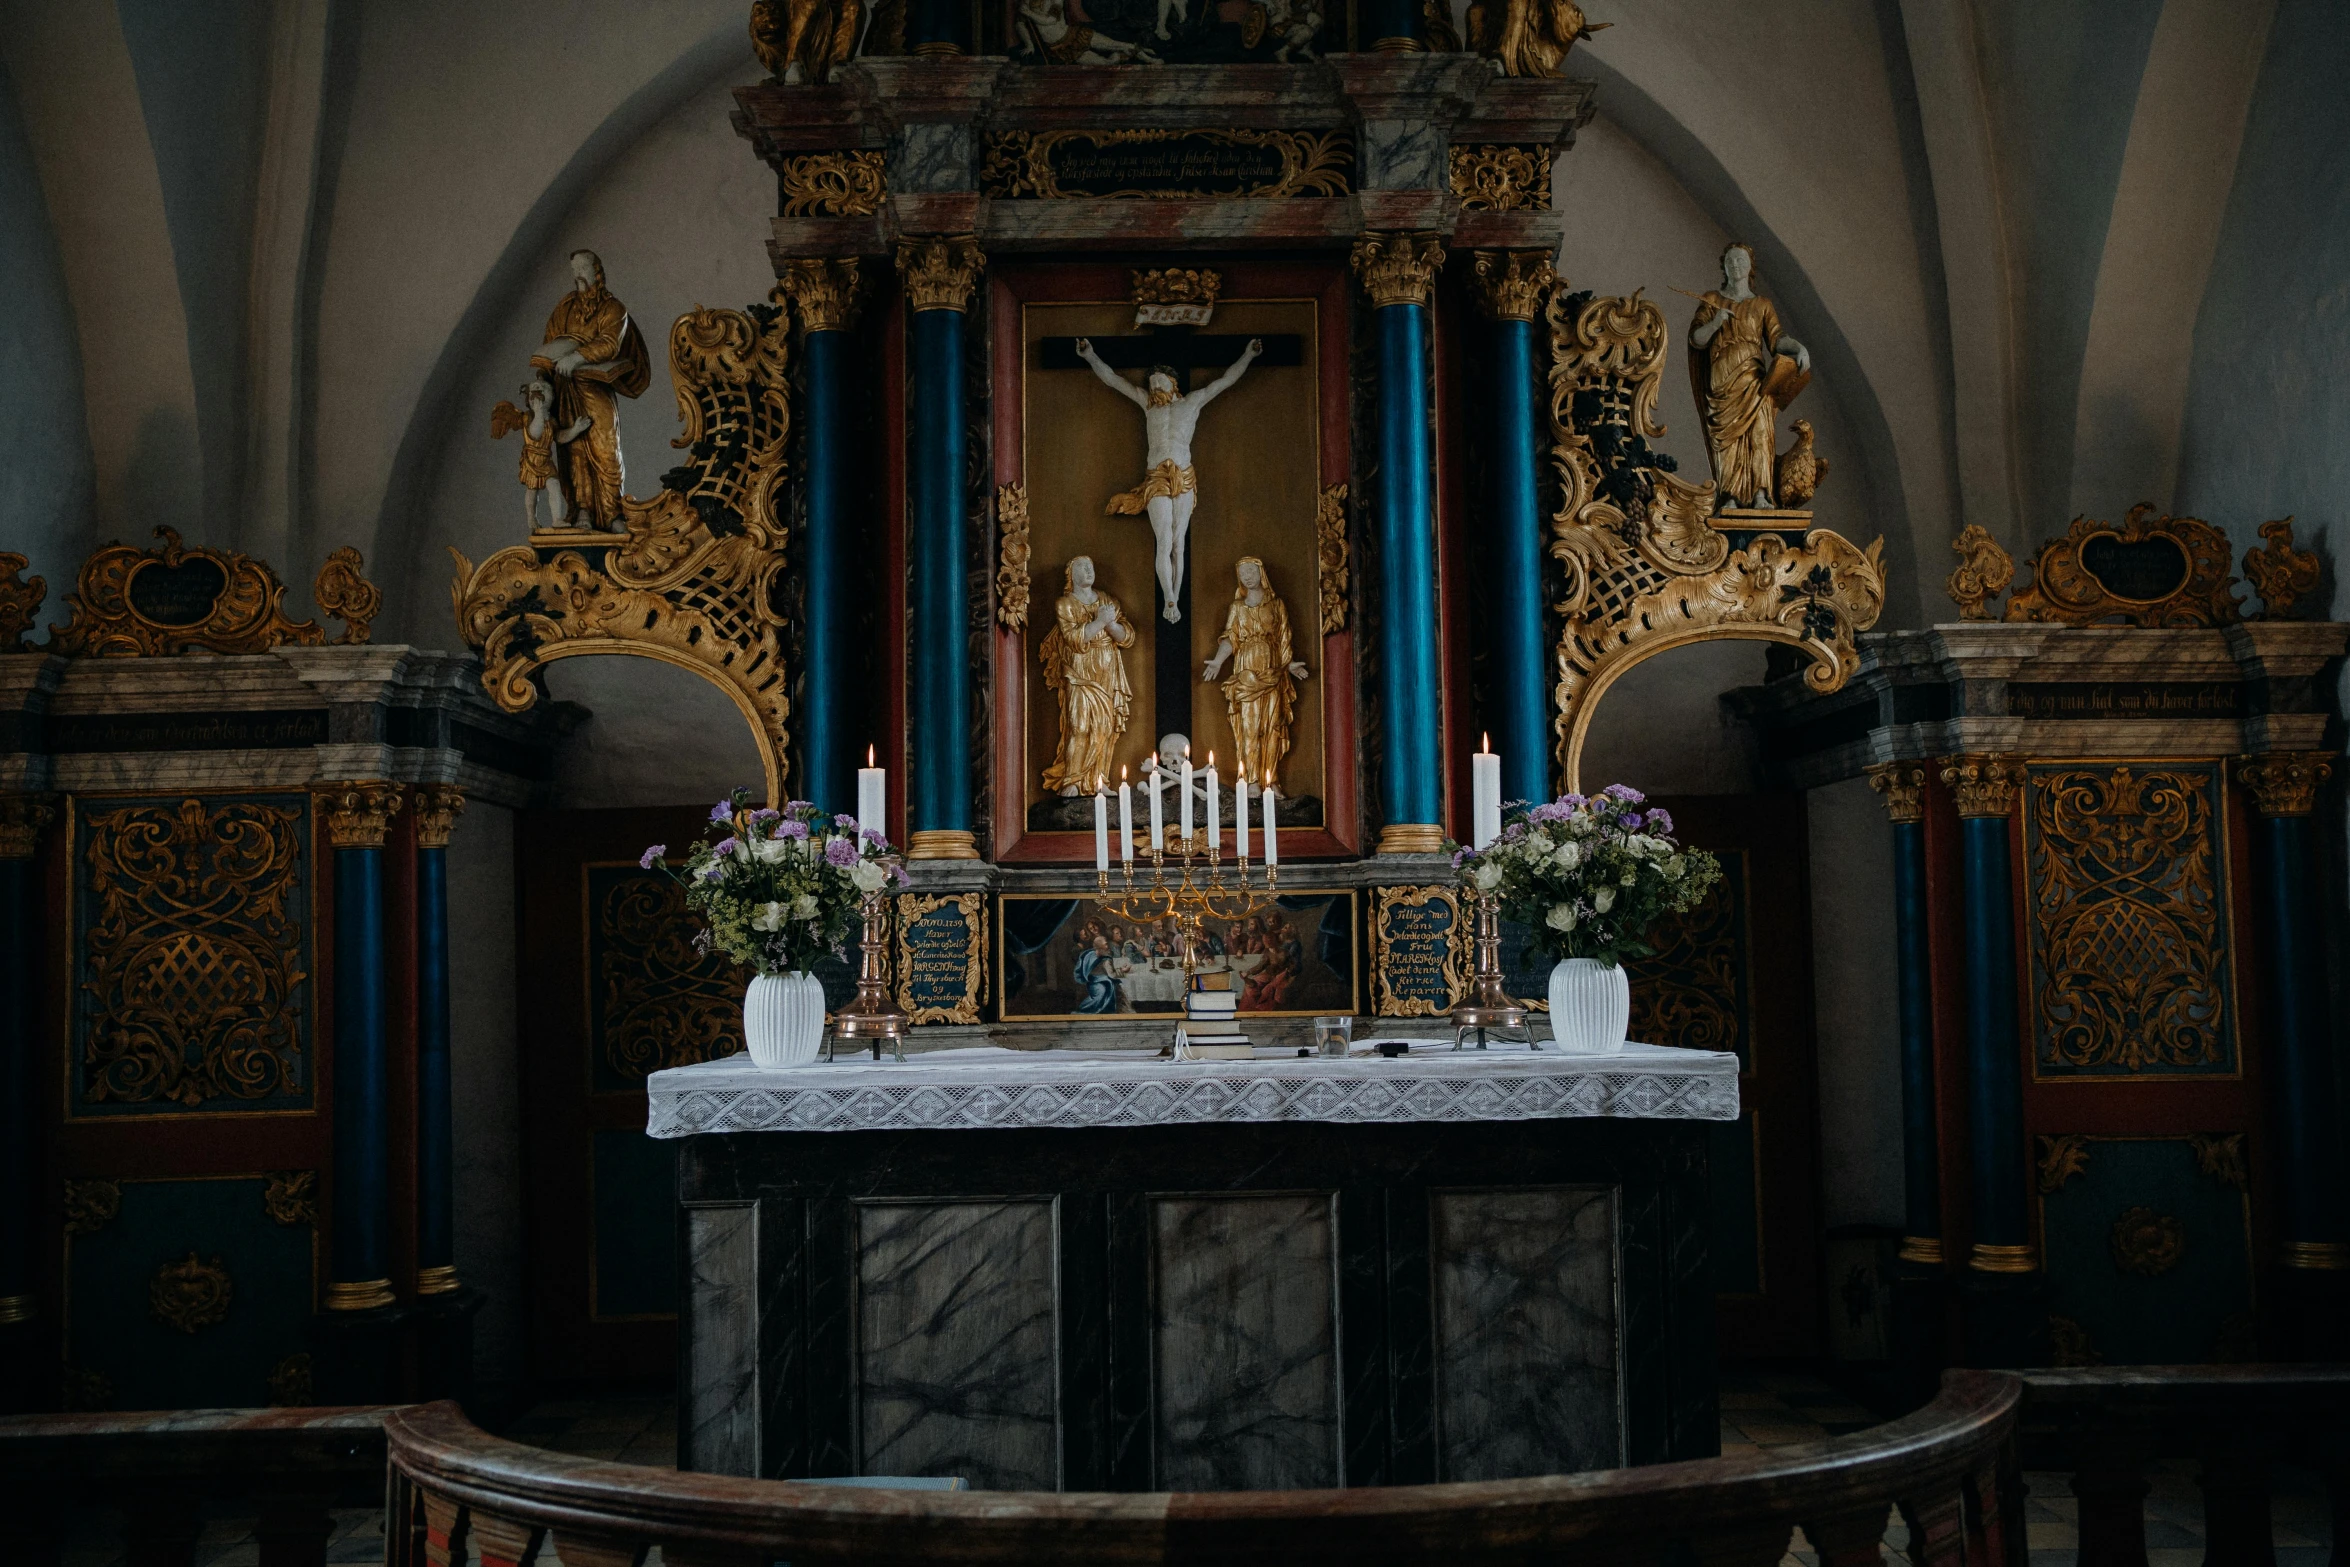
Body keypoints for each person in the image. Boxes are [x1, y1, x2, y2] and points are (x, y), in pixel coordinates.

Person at [1075, 335, 1263, 621]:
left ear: (1172, 382)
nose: (1153, 387)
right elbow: (1113, 379)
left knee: (1178, 543)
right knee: (1163, 540)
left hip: (1184, 476)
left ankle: (1176, 595)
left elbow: (1226, 380)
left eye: (1158, 381)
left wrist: (1248, 356)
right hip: (1156, 478)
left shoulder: (1193, 402)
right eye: (1150, 383)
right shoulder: (1148, 404)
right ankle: (1170, 599)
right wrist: (1090, 357)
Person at [1687, 243, 1810, 509]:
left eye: (1741, 261)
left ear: (1750, 267)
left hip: (1755, 380)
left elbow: (1776, 339)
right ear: (1724, 266)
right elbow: (1697, 339)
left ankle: (1761, 494)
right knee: (1728, 440)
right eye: (1730, 261)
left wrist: (1799, 348)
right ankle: (1729, 495)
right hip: (1723, 380)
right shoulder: (1712, 300)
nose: (1736, 266)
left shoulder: (1762, 304)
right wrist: (1716, 321)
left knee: (1761, 434)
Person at [535, 249, 651, 529]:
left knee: (605, 448)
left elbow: (610, 343)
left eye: (583, 268)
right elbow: (550, 343)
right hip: (565, 388)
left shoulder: (613, 308)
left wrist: (576, 357)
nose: (578, 275)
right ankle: (582, 511)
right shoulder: (565, 308)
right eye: (574, 269)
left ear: (597, 272)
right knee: (574, 449)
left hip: (595, 386)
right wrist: (542, 376)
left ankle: (613, 514)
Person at [1201, 556, 1310, 791]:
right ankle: (1251, 780)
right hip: (1246, 673)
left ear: (1261, 573)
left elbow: (1284, 638)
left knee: (1271, 728)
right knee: (1249, 728)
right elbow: (1230, 638)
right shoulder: (1237, 608)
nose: (1247, 577)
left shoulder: (1276, 604)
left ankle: (1271, 780)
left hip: (1273, 672)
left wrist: (1289, 665)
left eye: (1251, 571)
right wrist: (1219, 661)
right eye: (1243, 574)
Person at [1039, 556, 1136, 797]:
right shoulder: (1065, 604)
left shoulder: (1107, 600)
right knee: (1079, 725)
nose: (1088, 571)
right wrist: (1101, 621)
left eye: (1091, 566)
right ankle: (1072, 780)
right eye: (1082, 567)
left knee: (1104, 727)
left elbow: (1126, 637)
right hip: (1080, 670)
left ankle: (1099, 780)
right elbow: (1073, 639)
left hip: (1107, 667)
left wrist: (1110, 625)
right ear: (1071, 575)